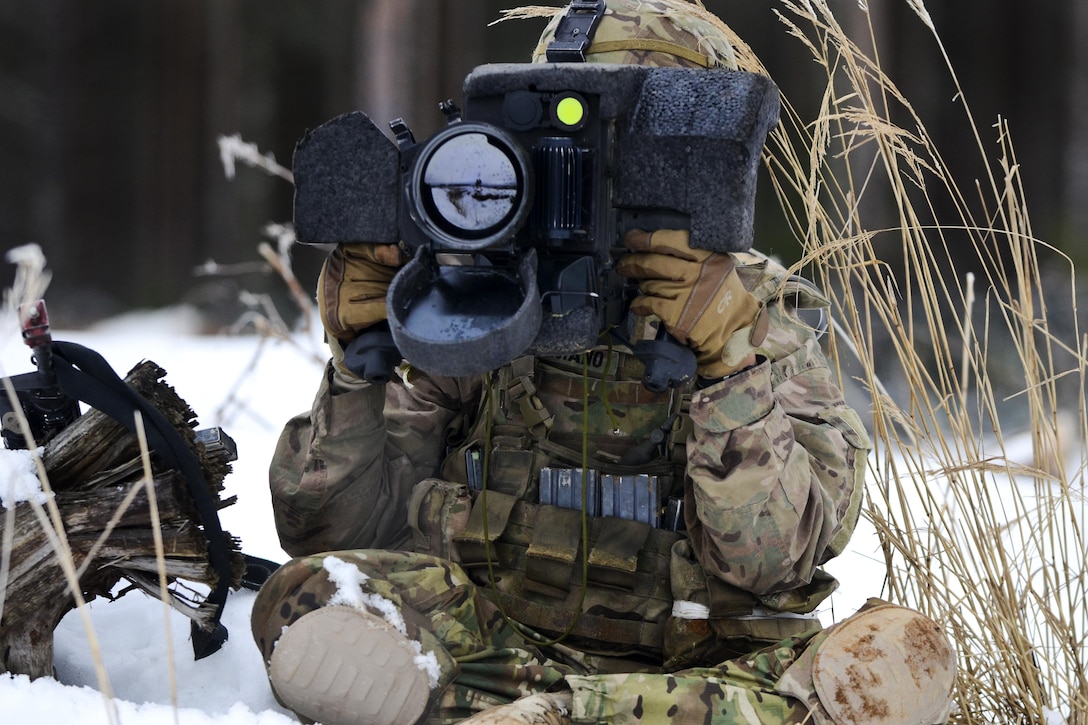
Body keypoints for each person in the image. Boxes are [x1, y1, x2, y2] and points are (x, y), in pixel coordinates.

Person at [250, 2, 957, 724]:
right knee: (310, 593)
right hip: (500, 646)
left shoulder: (760, 318)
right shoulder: (490, 292)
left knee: (897, 657)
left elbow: (767, 563)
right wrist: (359, 365)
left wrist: (728, 366)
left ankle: (553, 713)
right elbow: (330, 528)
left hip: (699, 671)